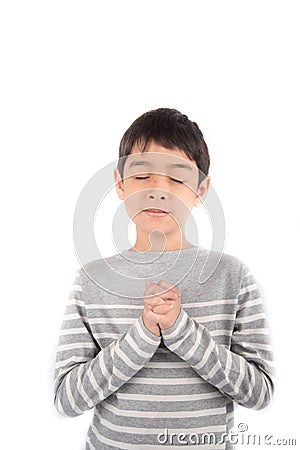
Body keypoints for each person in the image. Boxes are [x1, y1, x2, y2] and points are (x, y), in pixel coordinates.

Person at [54, 108, 275, 449]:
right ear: (119, 184)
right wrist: (143, 334)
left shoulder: (233, 277)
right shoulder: (91, 281)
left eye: (177, 178)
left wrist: (181, 331)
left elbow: (259, 394)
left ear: (201, 189)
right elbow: (67, 401)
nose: (158, 190)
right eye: (143, 177)